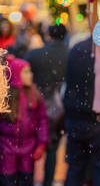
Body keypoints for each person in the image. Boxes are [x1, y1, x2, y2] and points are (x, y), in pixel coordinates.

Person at [63, 36, 100, 186]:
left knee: (75, 168)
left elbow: (69, 83)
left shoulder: (77, 48)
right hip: (96, 118)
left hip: (74, 116)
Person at [24, 24, 68, 186]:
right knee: (52, 147)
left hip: (34, 106)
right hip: (59, 109)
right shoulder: (68, 54)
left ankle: (30, 179)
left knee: (30, 145)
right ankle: (48, 182)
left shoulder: (35, 54)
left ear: (48, 35)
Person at [0, 55, 49, 186]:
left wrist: (42, 143)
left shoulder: (35, 95)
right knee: (7, 180)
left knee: (26, 180)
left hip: (28, 148)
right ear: (16, 74)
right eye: (26, 72)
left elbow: (42, 120)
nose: (31, 75)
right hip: (6, 148)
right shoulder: (4, 97)